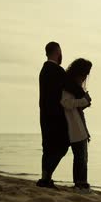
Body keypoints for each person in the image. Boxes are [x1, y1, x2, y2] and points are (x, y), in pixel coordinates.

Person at [37, 41, 70, 188]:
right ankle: (46, 178)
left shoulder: (43, 70)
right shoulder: (57, 71)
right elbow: (70, 86)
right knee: (62, 146)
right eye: (60, 51)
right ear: (57, 52)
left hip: (44, 114)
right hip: (56, 115)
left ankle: (45, 178)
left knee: (48, 147)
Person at [61, 58, 93, 190]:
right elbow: (66, 103)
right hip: (74, 127)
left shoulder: (73, 87)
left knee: (82, 157)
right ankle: (80, 183)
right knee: (80, 157)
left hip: (78, 126)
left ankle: (81, 182)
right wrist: (84, 101)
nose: (85, 77)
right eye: (84, 74)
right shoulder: (68, 87)